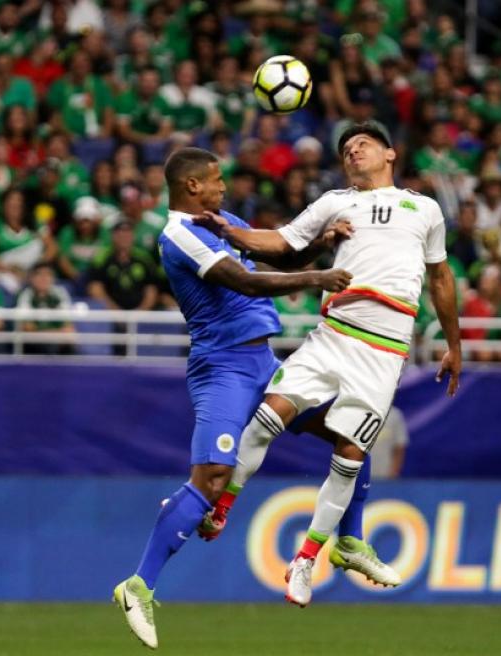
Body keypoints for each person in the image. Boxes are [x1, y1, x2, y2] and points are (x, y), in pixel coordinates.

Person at [195, 121, 462, 608]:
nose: (352, 151)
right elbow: (281, 243)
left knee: (349, 455)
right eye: (345, 149)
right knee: (266, 418)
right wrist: (230, 231)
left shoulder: (423, 208)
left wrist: (453, 345)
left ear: (390, 154)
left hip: (385, 349)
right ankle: (223, 505)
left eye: (363, 144)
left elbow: (441, 279)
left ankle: (306, 559)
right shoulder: (337, 202)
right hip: (334, 333)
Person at [112, 147, 354, 649]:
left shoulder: (222, 221)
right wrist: (316, 279)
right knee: (212, 477)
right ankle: (138, 586)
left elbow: (274, 256)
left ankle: (351, 540)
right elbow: (243, 280)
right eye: (217, 180)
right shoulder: (179, 234)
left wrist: (322, 246)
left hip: (263, 363)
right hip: (223, 368)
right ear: (192, 186)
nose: (225, 187)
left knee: (348, 431)